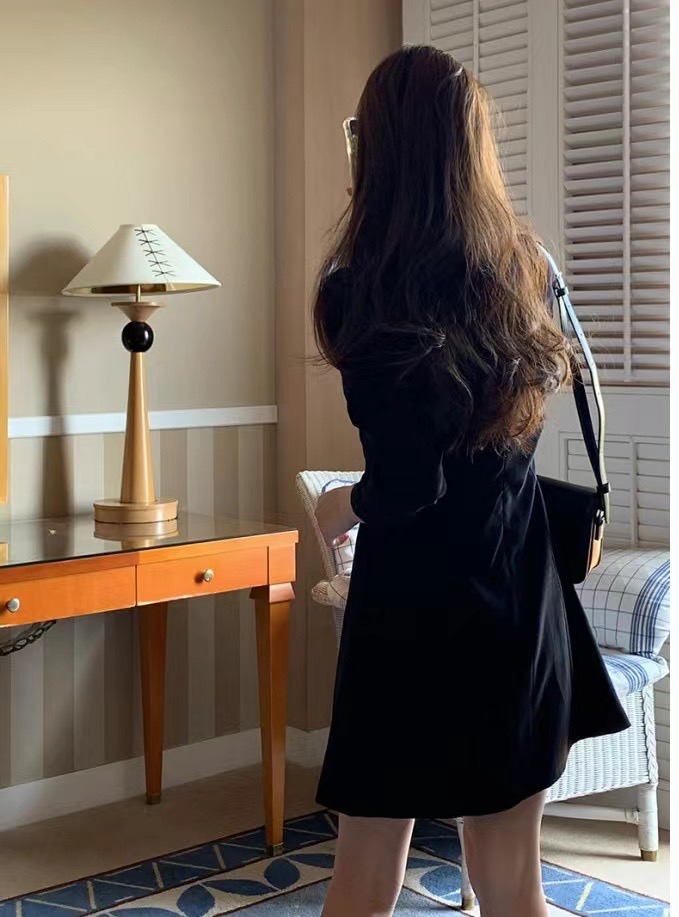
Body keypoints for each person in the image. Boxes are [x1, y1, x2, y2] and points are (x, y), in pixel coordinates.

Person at [311, 46, 629, 917]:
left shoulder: (360, 289)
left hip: (408, 616)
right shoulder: (527, 268)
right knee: (512, 883)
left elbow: (407, 485)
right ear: (472, 149)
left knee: (363, 878)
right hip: (514, 597)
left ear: (377, 150)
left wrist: (338, 503)